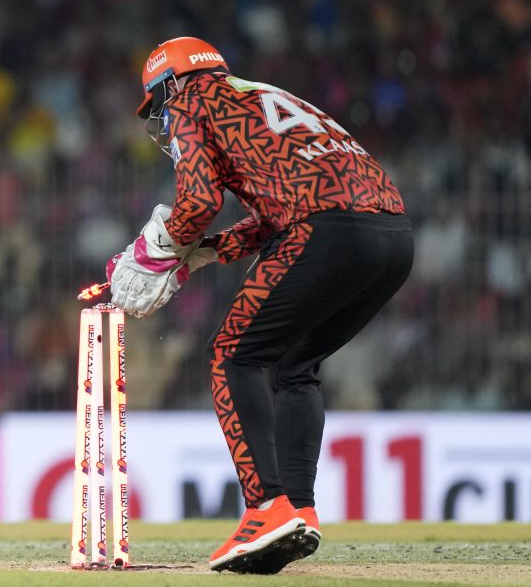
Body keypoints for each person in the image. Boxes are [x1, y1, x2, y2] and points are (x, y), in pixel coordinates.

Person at [106, 37, 413, 574]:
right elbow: (279, 207)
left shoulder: (189, 101)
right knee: (295, 365)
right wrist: (200, 256)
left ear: (172, 83)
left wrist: (162, 246)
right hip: (392, 238)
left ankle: (266, 508)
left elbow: (199, 202)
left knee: (232, 353)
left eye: (157, 101)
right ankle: (298, 509)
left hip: (324, 230)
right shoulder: (262, 96)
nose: (161, 116)